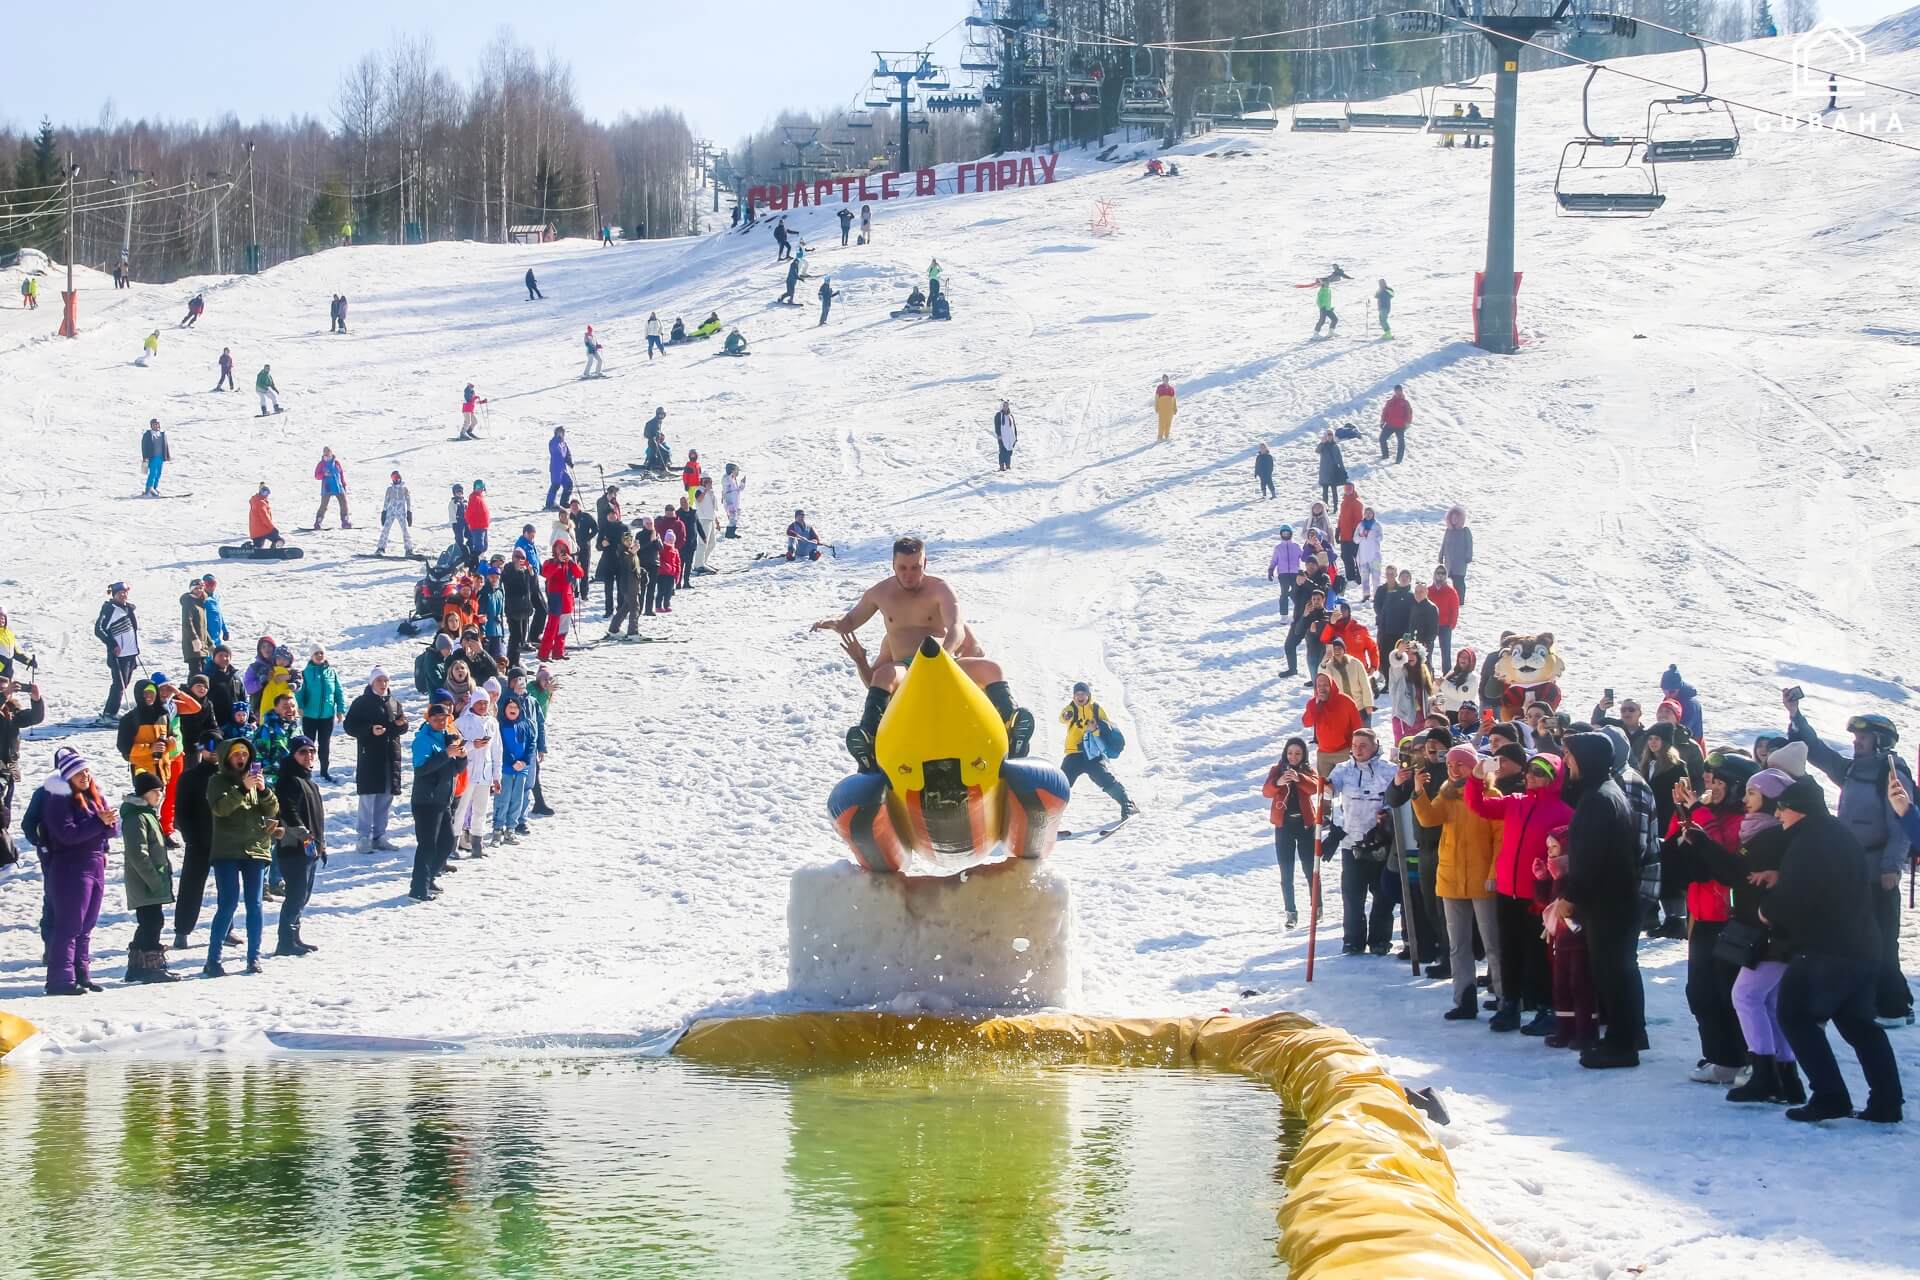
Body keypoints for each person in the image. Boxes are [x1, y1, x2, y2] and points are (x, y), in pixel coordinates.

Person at [810, 536, 1035, 772]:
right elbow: (850, 621)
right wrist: (833, 624)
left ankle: (1011, 724)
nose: (909, 574)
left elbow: (957, 628)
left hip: (943, 661)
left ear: (925, 563)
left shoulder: (939, 589)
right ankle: (868, 736)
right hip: (907, 669)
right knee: (885, 674)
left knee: (991, 668)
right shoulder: (880, 593)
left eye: (915, 567)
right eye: (903, 568)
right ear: (893, 565)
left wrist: (942, 657)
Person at [1765, 776, 1904, 1122]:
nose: (1778, 814)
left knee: (1794, 1016)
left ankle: (1830, 1097)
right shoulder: (1837, 834)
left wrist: (1768, 911)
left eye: (1782, 808)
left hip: (1826, 949)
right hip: (1862, 945)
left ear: (1798, 810)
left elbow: (1798, 897)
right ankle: (1887, 1102)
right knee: (1858, 1024)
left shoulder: (1808, 843)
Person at [1783, 694, 1914, 1025]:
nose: (1856, 742)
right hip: (1852, 871)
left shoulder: (1892, 774)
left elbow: (1901, 827)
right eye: (1855, 738)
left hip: (1877, 871)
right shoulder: (1854, 768)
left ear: (1881, 741)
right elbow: (1819, 753)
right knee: (1855, 938)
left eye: (1863, 738)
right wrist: (1796, 716)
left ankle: (1893, 1005)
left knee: (1882, 938)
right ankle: (1865, 998)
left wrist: (1890, 868)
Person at [1550, 732, 1648, 1068]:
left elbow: (1590, 858)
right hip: (1617, 899)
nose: (1567, 762)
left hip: (1608, 904)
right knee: (1621, 972)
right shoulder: (1607, 791)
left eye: (1571, 755)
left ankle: (1622, 1045)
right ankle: (1630, 1036)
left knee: (1613, 974)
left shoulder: (1598, 799)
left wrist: (1569, 896)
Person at [1467, 750, 1574, 1034]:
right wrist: (1477, 780)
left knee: (1538, 954)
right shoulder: (1515, 802)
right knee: (1508, 950)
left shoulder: (1564, 812)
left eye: (1539, 773)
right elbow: (1479, 806)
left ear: (1553, 778)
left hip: (1537, 895)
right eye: (1529, 770)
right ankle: (1510, 1005)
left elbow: (1566, 857)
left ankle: (1544, 1007)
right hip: (1507, 889)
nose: (1530, 776)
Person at [1408, 743, 1501, 1018]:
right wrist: (1417, 791)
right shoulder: (1446, 794)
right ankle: (1464, 999)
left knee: (1492, 942)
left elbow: (1500, 839)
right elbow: (1428, 819)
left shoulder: (1491, 794)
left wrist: (1494, 873)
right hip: (1451, 877)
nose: (1453, 768)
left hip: (1481, 879)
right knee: (1458, 944)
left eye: (1459, 763)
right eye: (1450, 764)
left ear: (1474, 766)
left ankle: (1503, 997)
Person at [204, 738, 277, 976]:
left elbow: (273, 809)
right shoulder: (217, 781)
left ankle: (253, 958)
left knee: (255, 904)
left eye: (245, 754)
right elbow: (221, 809)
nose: (241, 758)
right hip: (227, 850)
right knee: (228, 903)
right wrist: (243, 788)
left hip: (255, 847)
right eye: (236, 754)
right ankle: (213, 959)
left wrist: (264, 790)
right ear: (227, 757)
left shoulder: (256, 781)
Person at [1327, 729, 1395, 954]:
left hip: (1379, 842)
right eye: (1355, 745)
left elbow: (1397, 800)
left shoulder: (1389, 770)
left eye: (1363, 745)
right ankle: (1353, 940)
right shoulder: (1343, 770)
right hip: (1351, 842)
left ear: (1375, 745)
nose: (1358, 749)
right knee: (1352, 894)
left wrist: (1386, 815)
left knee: (1382, 894)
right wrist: (1323, 785)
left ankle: (1379, 940)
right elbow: (1330, 789)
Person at [343, 667, 406, 855]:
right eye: (379, 680)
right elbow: (350, 725)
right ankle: (363, 837)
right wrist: (370, 730)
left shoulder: (394, 702)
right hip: (370, 756)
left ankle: (380, 836)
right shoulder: (361, 702)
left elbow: (399, 728)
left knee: (386, 797)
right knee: (368, 797)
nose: (383, 684)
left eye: (385, 680)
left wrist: (400, 725)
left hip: (390, 756)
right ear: (372, 683)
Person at [271, 735, 325, 956]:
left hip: (309, 848)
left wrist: (321, 844)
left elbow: (316, 817)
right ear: (293, 755)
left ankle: (294, 936)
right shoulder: (288, 780)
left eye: (311, 751)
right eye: (303, 752)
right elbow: (289, 812)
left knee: (303, 896)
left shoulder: (309, 781)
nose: (308, 756)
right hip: (294, 847)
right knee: (295, 895)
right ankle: (285, 941)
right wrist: (305, 835)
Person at [1060, 682, 1140, 824]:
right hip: (1074, 753)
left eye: (1083, 694)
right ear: (1073, 696)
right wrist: (1066, 715)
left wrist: (1095, 730)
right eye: (1077, 694)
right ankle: (1047, 815)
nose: (1080, 697)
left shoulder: (1096, 709)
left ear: (1088, 695)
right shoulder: (1071, 708)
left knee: (1104, 779)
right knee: (1061, 783)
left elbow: (1106, 728)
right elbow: (1063, 717)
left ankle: (1128, 804)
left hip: (1092, 753)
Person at [409, 703, 466, 900]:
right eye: (436, 719)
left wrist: (461, 757)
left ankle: (429, 879)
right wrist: (446, 754)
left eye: (444, 719)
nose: (441, 722)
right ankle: (418, 890)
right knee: (427, 845)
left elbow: (455, 769)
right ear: (428, 720)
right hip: (426, 801)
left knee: (447, 842)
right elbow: (422, 769)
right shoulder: (422, 740)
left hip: (442, 800)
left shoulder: (446, 738)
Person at [1263, 738, 1321, 928]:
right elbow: (1266, 791)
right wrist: (1278, 782)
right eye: (1290, 753)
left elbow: (1315, 787)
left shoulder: (1307, 770)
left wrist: (1299, 778)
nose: (1293, 757)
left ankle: (1316, 908)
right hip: (1284, 827)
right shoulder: (1277, 769)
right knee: (1286, 872)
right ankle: (1290, 912)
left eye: (1297, 753)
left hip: (1305, 826)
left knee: (1310, 869)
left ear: (1303, 754)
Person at [94, 581, 142, 725]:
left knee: (123, 683)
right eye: (120, 593)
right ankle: (109, 713)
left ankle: (111, 712)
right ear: (114, 594)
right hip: (118, 654)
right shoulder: (110, 609)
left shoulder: (127, 608)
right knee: (119, 684)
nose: (123, 595)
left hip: (130, 653)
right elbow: (99, 629)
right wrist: (112, 644)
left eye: (125, 592)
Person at [295, 647, 344, 781]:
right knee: (307, 746)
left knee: (324, 744)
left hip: (327, 716)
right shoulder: (305, 673)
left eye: (321, 653)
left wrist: (340, 709)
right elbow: (300, 692)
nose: (319, 655)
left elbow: (338, 692)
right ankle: (305, 771)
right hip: (309, 715)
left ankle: (324, 771)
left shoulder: (332, 673)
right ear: (311, 656)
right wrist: (300, 706)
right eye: (316, 653)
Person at [1302, 671, 1362, 778]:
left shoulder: (1346, 701)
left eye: (1325, 685)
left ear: (1332, 685)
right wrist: (1315, 706)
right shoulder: (1313, 703)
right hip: (1324, 754)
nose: (1322, 688)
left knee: (1347, 786)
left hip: (1344, 751)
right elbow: (1306, 723)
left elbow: (1357, 727)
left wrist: (1355, 748)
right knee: (1325, 789)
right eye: (1319, 685)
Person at [538, 542, 585, 661]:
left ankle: (558, 652)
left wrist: (572, 562)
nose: (562, 551)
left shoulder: (569, 563)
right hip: (555, 598)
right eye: (559, 549)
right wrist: (557, 563)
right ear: (555, 550)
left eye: (564, 549)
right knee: (551, 627)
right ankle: (544, 654)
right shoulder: (550, 562)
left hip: (567, 598)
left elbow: (580, 574)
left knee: (563, 628)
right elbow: (545, 573)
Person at [1659, 665, 1704, 742]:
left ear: (1679, 688)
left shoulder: (1690, 704)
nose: (1667, 694)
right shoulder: (1671, 697)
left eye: (1671, 691)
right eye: (1664, 690)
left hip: (1691, 742)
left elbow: (1685, 728)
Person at [375, 470, 415, 557]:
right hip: (391, 511)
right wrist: (384, 511)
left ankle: (409, 548)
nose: (397, 480)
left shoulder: (404, 489)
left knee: (405, 529)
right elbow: (386, 500)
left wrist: (409, 512)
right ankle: (381, 547)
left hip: (401, 512)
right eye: (394, 478)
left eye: (398, 477)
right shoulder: (389, 489)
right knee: (386, 528)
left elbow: (408, 501)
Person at [1438, 505, 1472, 602]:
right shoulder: (1448, 531)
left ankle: (1460, 601)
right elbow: (1444, 544)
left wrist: (1468, 557)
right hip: (1449, 562)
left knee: (1459, 582)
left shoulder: (1465, 531)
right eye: (1452, 517)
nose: (1454, 520)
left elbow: (1469, 545)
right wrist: (1441, 556)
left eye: (1456, 518)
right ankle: (1448, 600)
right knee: (1448, 581)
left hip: (1460, 563)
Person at [1267, 527, 1303, 619]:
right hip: (1283, 574)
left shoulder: (1296, 546)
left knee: (1296, 593)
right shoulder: (1278, 548)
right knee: (1284, 593)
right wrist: (1271, 570)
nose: (1286, 535)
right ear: (1281, 535)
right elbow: (1274, 560)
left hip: (1295, 573)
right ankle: (1284, 615)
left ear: (1291, 534)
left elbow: (1303, 557)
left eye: (1287, 533)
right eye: (1284, 533)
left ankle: (1299, 611)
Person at [312, 447, 350, 530]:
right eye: (326, 453)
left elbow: (341, 474)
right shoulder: (321, 464)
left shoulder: (336, 463)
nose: (328, 455)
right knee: (324, 505)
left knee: (343, 503)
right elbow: (316, 476)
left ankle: (345, 521)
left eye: (329, 453)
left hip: (338, 486)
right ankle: (318, 522)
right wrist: (324, 474)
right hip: (327, 487)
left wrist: (343, 484)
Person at [1379, 384, 1412, 463]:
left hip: (1400, 426)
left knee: (1401, 442)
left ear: (1401, 391)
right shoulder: (1390, 402)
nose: (1397, 392)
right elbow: (1385, 412)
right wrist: (1382, 420)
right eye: (1396, 391)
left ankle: (1398, 460)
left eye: (1399, 391)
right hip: (1389, 424)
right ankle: (1385, 455)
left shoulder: (1405, 403)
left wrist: (1408, 423)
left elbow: (1409, 413)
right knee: (1382, 439)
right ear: (1394, 391)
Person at [248, 484, 285, 551]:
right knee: (279, 540)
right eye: (264, 492)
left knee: (258, 546)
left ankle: (254, 548)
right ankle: (275, 547)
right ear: (260, 492)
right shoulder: (261, 503)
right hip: (264, 530)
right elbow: (265, 518)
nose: (265, 495)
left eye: (267, 493)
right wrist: (273, 528)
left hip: (255, 532)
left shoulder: (254, 501)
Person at [464, 479, 492, 567]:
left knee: (484, 546)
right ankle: (473, 565)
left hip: (483, 526)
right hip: (477, 526)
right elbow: (468, 513)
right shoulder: (474, 497)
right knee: (479, 547)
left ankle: (480, 563)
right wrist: (470, 523)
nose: (479, 489)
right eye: (477, 487)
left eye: (481, 487)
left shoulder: (480, 497)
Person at [140, 418, 170, 497]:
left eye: (157, 424)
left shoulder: (162, 434)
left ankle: (154, 488)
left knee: (158, 473)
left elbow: (165, 446)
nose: (156, 426)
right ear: (151, 425)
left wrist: (166, 456)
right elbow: (144, 446)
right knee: (153, 473)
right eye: (154, 424)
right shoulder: (148, 434)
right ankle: (148, 489)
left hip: (160, 457)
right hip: (152, 457)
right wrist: (145, 457)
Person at [547, 427, 575, 511]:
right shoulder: (553, 442)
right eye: (560, 432)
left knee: (568, 484)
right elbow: (554, 449)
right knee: (556, 484)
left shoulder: (563, 443)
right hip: (556, 468)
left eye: (562, 432)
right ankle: (549, 503)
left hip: (563, 468)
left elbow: (567, 453)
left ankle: (564, 502)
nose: (562, 434)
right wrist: (557, 438)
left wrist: (569, 461)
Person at [722, 464, 747, 539]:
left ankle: (732, 532)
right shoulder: (726, 478)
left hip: (735, 501)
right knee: (732, 517)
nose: (737, 473)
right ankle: (729, 533)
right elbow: (727, 487)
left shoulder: (733, 479)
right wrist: (732, 475)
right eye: (736, 470)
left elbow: (738, 490)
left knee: (736, 517)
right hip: (730, 500)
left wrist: (742, 483)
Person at [994, 401, 1018, 472]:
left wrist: (1015, 436)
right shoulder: (998, 415)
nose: (1006, 407)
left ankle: (1008, 466)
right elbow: (997, 426)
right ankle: (1001, 467)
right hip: (1002, 437)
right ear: (1002, 406)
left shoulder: (1010, 415)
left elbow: (1014, 427)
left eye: (1007, 406)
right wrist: (999, 435)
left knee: (1009, 451)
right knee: (1002, 451)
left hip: (1010, 437)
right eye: (1004, 406)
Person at [1153, 376, 1177, 442]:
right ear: (1162, 380)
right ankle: (1159, 437)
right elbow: (1156, 397)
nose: (1165, 380)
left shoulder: (1171, 388)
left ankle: (1167, 435)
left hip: (1170, 407)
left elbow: (1174, 399)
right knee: (1162, 421)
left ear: (1168, 379)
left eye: (1166, 379)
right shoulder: (1159, 387)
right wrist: (1156, 406)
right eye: (1164, 379)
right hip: (1162, 406)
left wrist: (1175, 408)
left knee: (1169, 421)